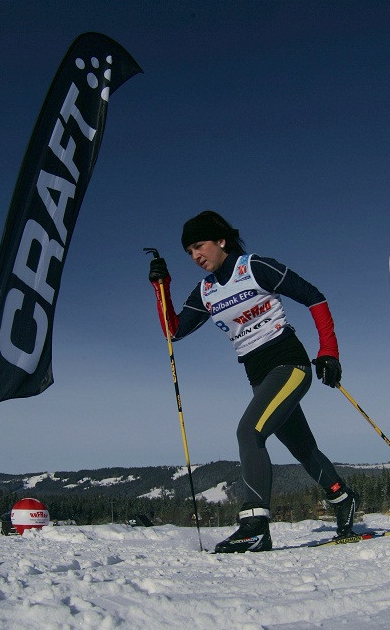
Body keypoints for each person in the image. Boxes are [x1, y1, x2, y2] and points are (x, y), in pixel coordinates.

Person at [148, 210, 359, 553]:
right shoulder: (205, 291)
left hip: (289, 364)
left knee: (249, 432)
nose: (195, 256)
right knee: (302, 448)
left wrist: (329, 351)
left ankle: (255, 524)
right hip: (259, 376)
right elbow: (174, 331)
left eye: (199, 246)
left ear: (221, 241)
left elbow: (313, 296)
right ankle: (343, 497)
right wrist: (162, 287)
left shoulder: (255, 267)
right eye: (189, 252)